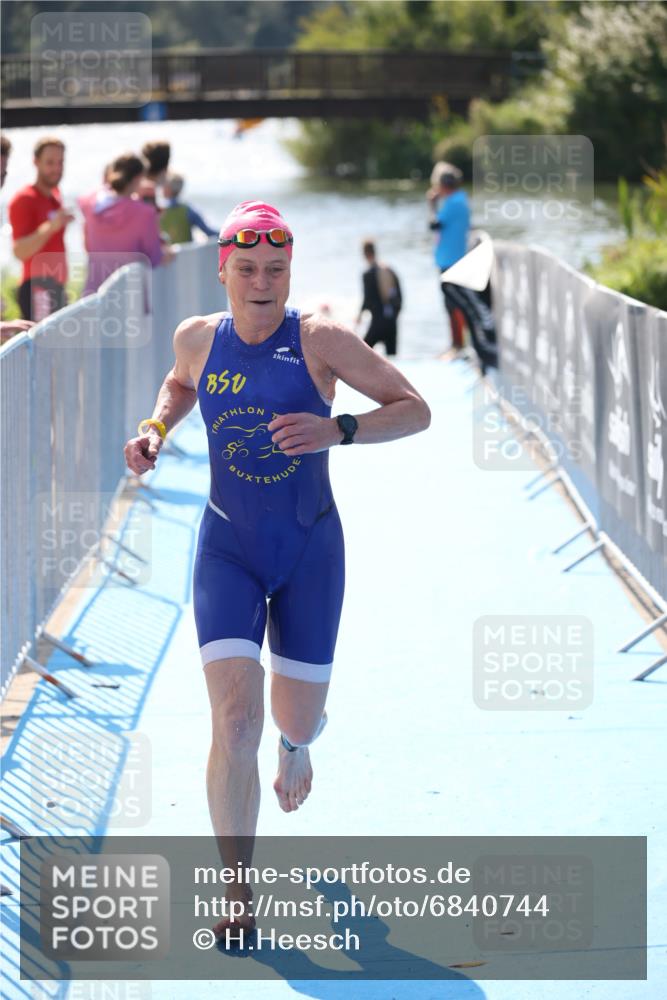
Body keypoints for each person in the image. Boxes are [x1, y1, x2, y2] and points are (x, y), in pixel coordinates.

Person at [123, 200, 431, 941]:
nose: (263, 282)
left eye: (277, 269)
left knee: (292, 720)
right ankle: (238, 891)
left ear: (290, 271)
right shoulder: (197, 336)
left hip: (308, 550)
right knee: (234, 719)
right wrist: (156, 426)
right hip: (225, 546)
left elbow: (414, 408)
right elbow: (181, 383)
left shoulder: (320, 340)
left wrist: (340, 427)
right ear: (223, 269)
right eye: (249, 268)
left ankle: (296, 745)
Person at [427, 165, 497, 372]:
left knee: (455, 306)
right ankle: (457, 345)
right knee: (452, 306)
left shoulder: (454, 202)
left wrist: (431, 205)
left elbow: (434, 224)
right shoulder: (458, 200)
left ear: (444, 185)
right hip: (451, 260)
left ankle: (460, 346)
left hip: (452, 261)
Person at [78, 153, 166, 295]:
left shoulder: (89, 203)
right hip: (129, 297)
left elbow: (87, 245)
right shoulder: (145, 214)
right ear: (138, 178)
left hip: (93, 294)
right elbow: (154, 258)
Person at [8, 136, 73, 321]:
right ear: (36, 162)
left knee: (59, 347)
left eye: (60, 162)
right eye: (50, 162)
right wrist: (50, 227)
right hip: (37, 288)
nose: (57, 169)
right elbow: (19, 251)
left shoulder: (56, 196)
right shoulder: (24, 199)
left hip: (55, 287)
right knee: (45, 349)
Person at [356, 239, 402, 356]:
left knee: (361, 353)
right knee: (392, 359)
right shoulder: (389, 270)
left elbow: (368, 300)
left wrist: (360, 316)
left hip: (377, 323)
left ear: (365, 254)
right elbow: (400, 297)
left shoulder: (368, 274)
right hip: (391, 322)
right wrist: (395, 314)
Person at [160, 173, 217, 244]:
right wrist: (229, 237)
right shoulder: (188, 210)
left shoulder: (157, 209)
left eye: (163, 185)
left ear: (168, 188)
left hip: (164, 253)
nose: (161, 188)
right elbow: (208, 232)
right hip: (185, 253)